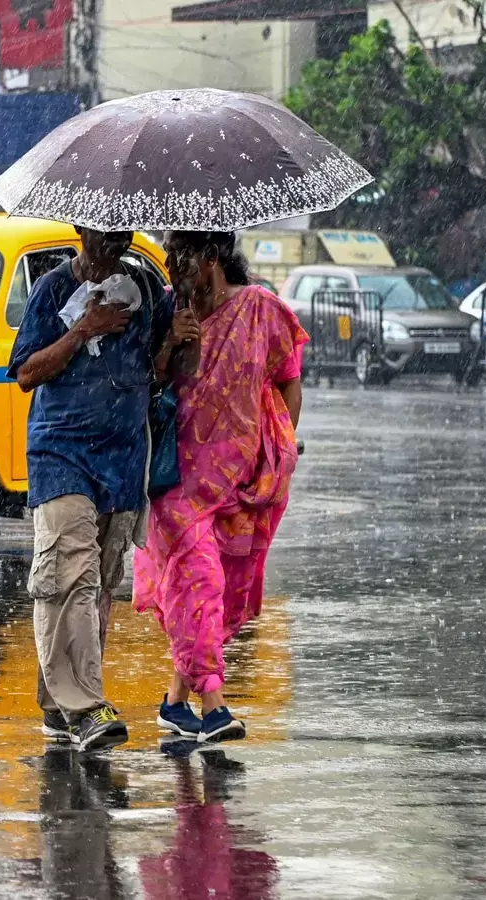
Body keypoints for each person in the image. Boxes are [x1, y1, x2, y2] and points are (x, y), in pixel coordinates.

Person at [134, 231, 306, 744]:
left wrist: (280, 448)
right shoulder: (166, 312)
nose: (171, 265)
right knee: (200, 580)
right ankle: (214, 705)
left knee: (214, 594)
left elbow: (286, 379)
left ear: (210, 257)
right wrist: (170, 343)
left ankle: (173, 703)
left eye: (181, 255)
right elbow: (145, 382)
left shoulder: (259, 309)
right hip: (175, 477)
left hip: (239, 478)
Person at [8, 227, 169, 752]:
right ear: (81, 229)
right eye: (104, 232)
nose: (114, 242)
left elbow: (158, 372)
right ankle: (86, 705)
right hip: (62, 455)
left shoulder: (145, 289)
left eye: (122, 232)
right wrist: (84, 328)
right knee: (67, 575)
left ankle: (59, 704)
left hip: (121, 461)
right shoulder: (53, 289)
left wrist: (177, 339)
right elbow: (28, 373)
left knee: (95, 585)